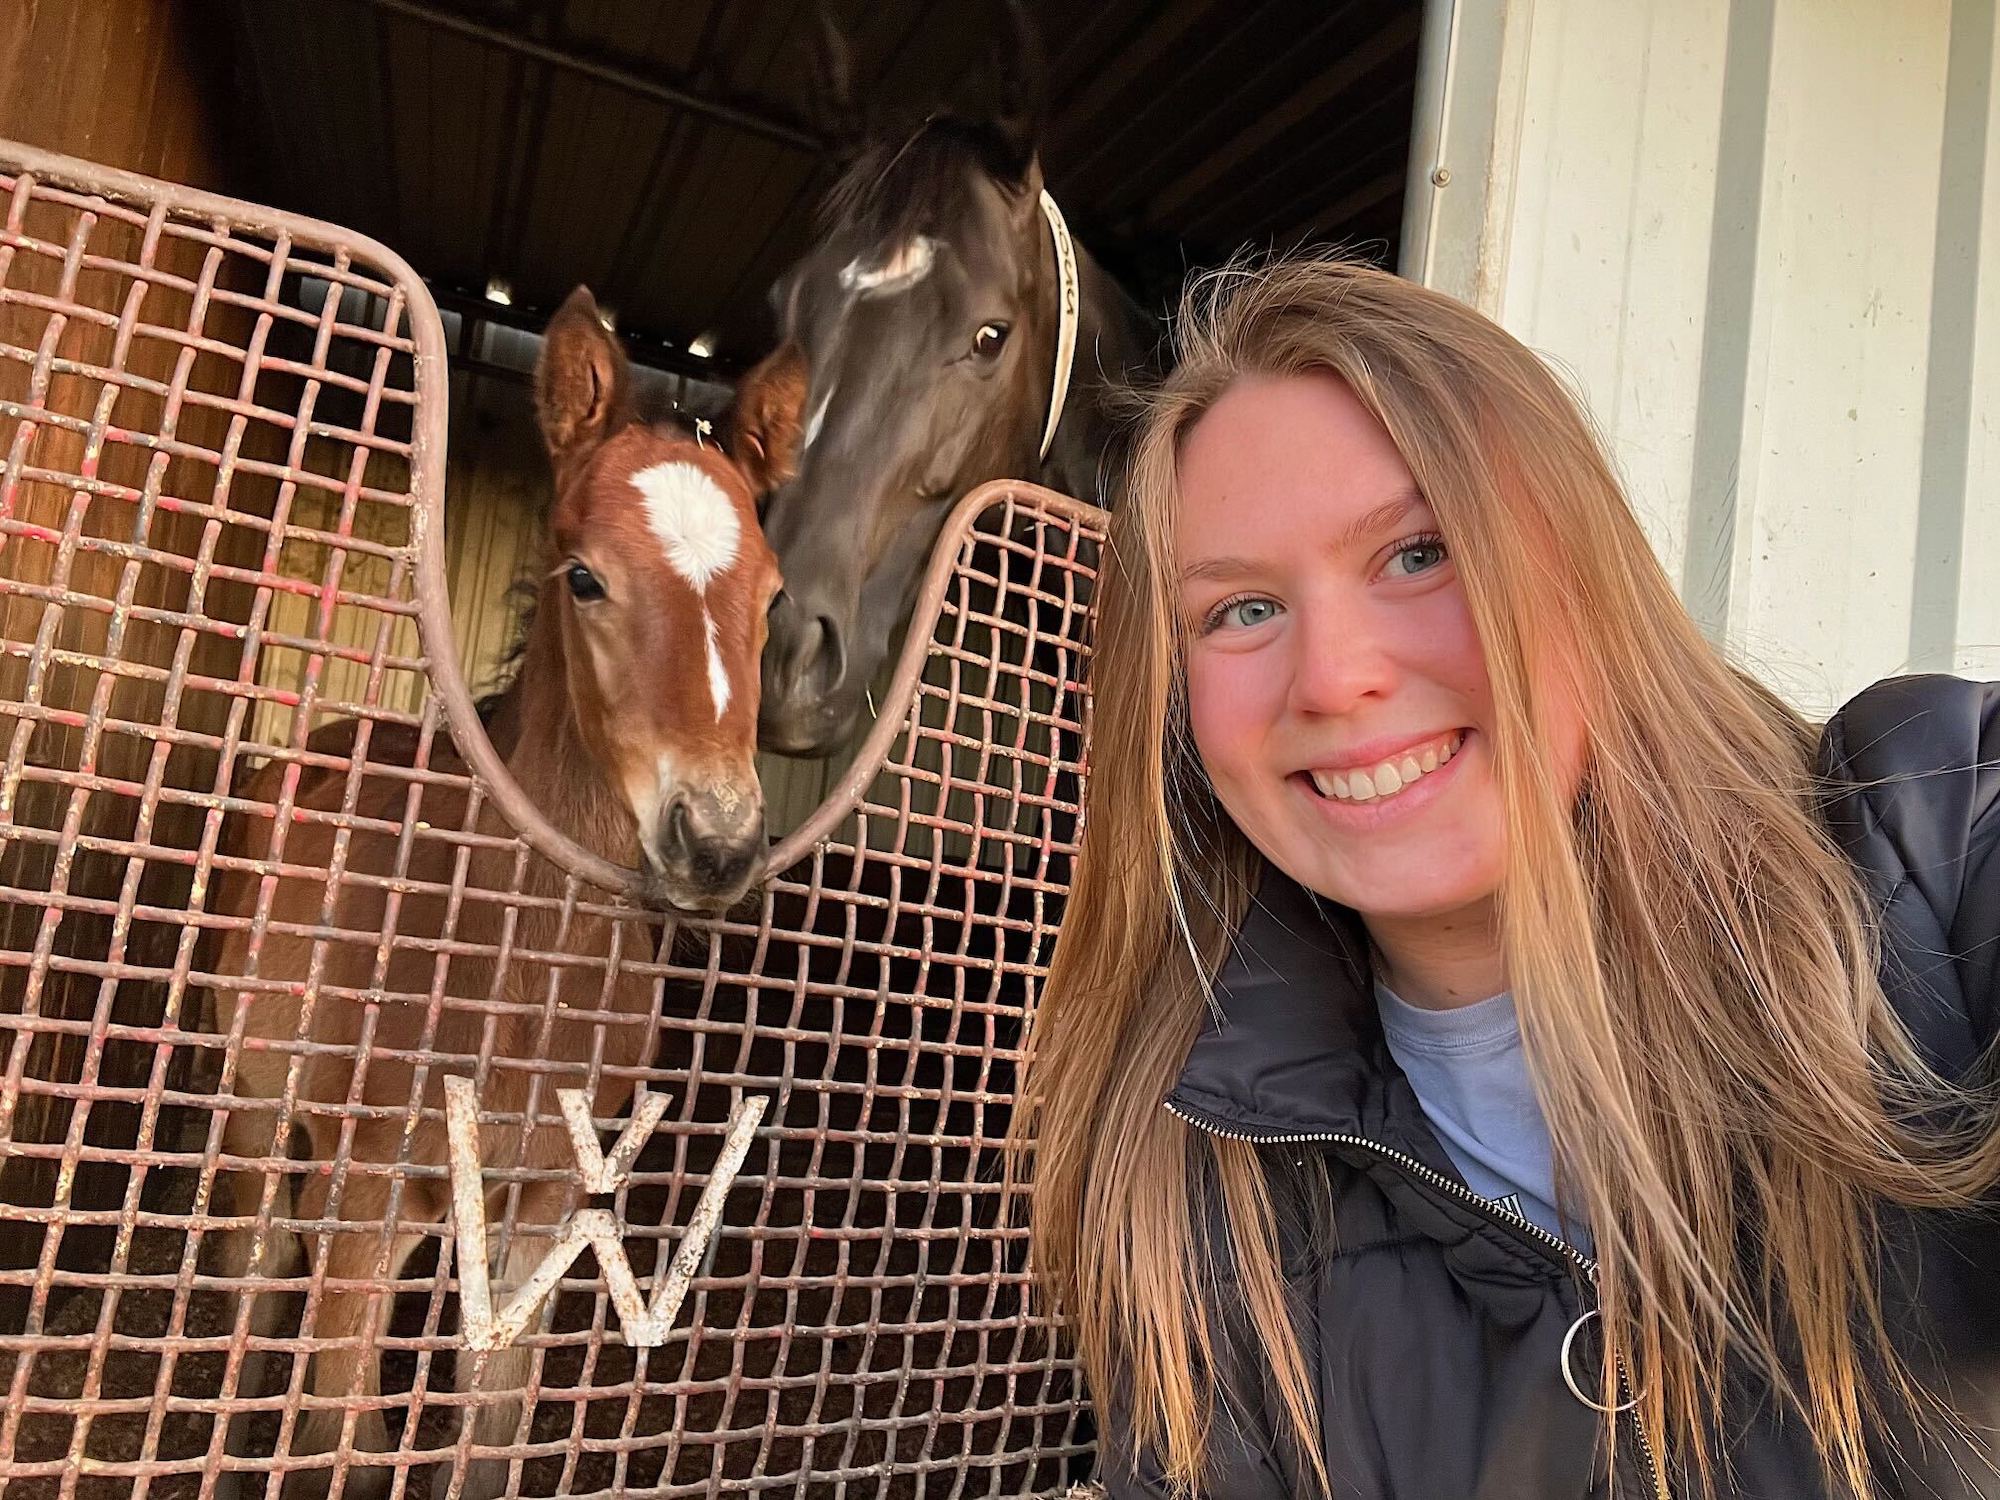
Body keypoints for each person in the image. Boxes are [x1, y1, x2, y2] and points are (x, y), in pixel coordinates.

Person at [1018, 256, 2000, 1499]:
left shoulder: (1935, 828)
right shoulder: (1198, 1186)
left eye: (1418, 551)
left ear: (1582, 570)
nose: (1331, 677)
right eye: (1241, 612)